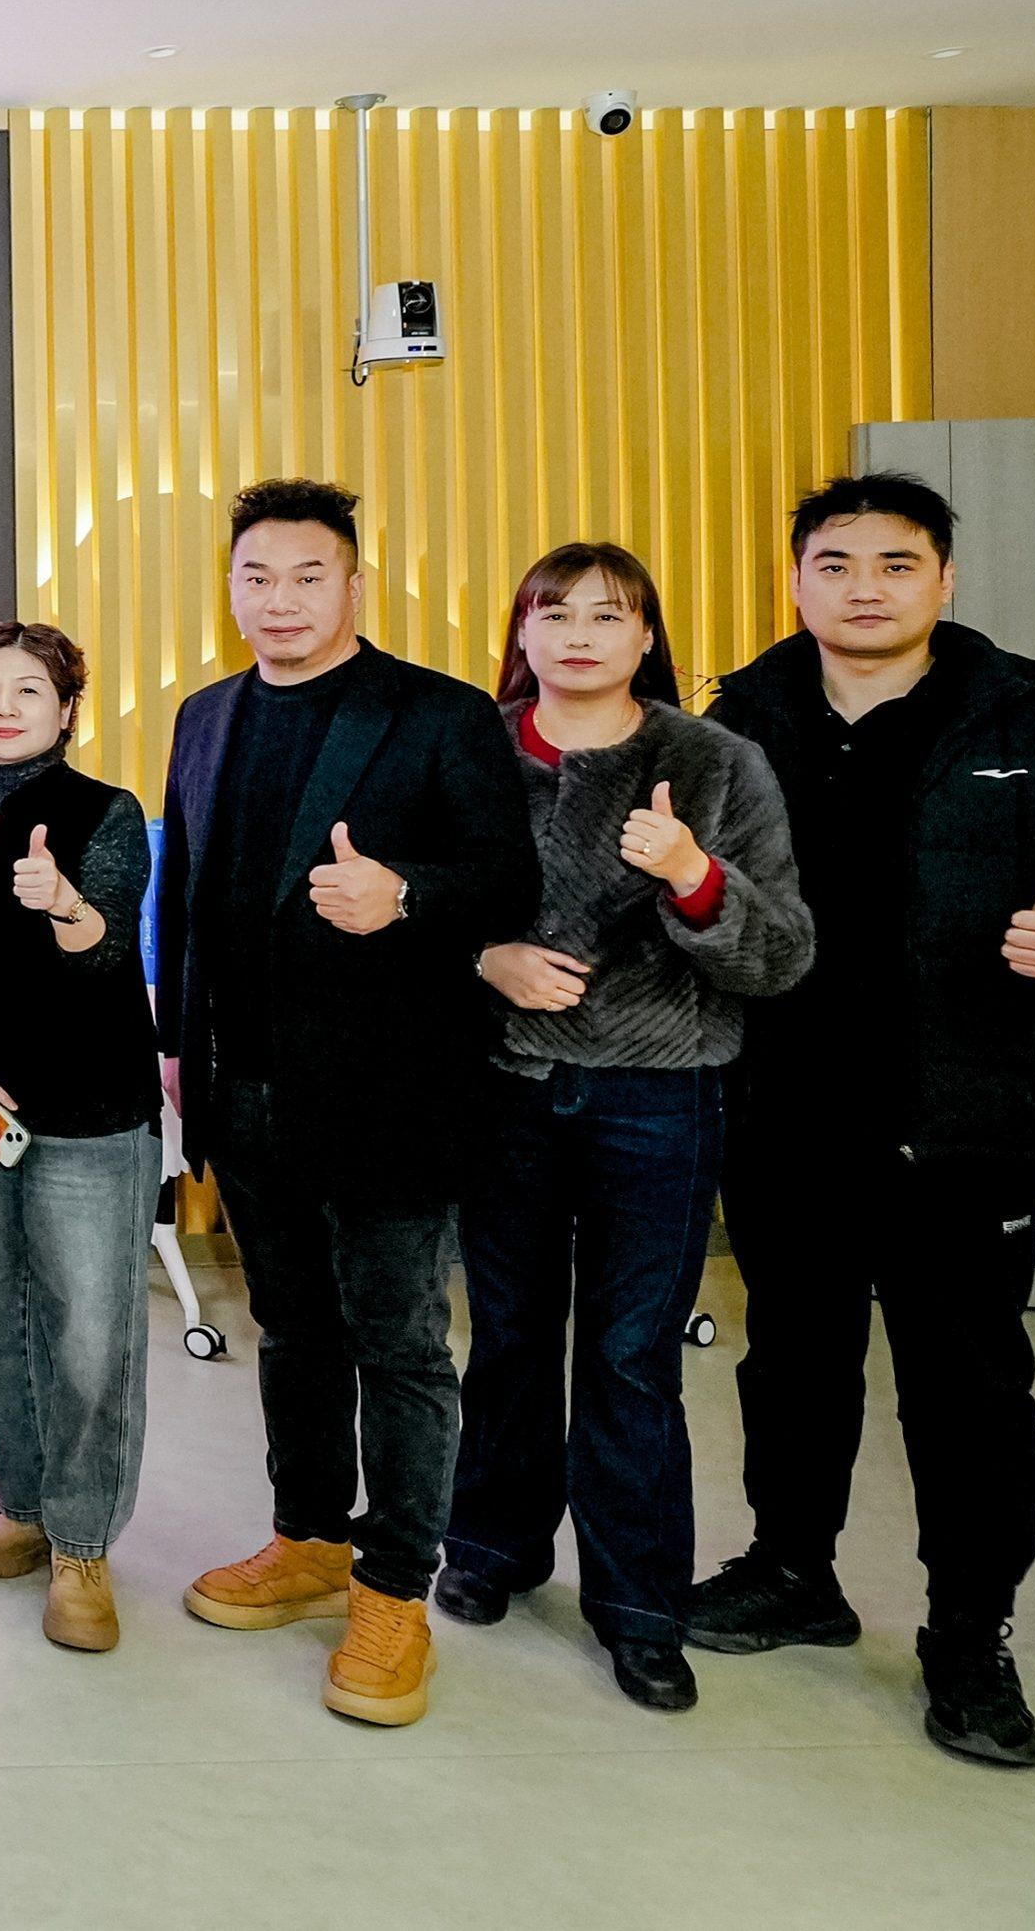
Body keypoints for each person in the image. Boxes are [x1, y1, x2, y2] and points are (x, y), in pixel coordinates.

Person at [692, 473, 1035, 1768]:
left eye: (896, 564)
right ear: (794, 581)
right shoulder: (736, 723)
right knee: (791, 1366)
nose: (865, 588)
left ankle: (969, 1638)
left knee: (966, 1396)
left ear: (944, 580)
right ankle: (791, 1572)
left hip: (967, 1127)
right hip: (785, 1120)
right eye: (836, 563)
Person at [158, 479, 538, 1728]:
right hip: (245, 1090)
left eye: (308, 576)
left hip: (391, 1093)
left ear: (355, 584)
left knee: (401, 1345)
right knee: (292, 1330)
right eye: (257, 577)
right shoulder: (206, 717)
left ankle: (395, 1585)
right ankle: (311, 1537)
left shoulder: (435, 713)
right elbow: (191, 898)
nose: (281, 600)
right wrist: (179, 1049)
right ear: (231, 588)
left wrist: (406, 895)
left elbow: (507, 880)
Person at [437, 544, 813, 1712]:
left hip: (662, 1094)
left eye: (610, 616)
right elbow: (401, 914)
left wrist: (695, 875)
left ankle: (640, 1609)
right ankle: (490, 1547)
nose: (581, 636)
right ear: (522, 632)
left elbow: (782, 954)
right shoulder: (469, 748)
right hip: (505, 1088)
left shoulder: (714, 761)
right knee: (506, 1337)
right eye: (555, 614)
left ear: (648, 636)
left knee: (630, 1357)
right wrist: (484, 957)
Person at [0, 620, 156, 1649]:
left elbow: (107, 950)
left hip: (91, 1115)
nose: (4, 708)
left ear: (66, 708)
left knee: (89, 1338)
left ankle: (83, 1546)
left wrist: (65, 904)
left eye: (29, 691)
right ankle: (27, 1507)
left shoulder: (107, 811)